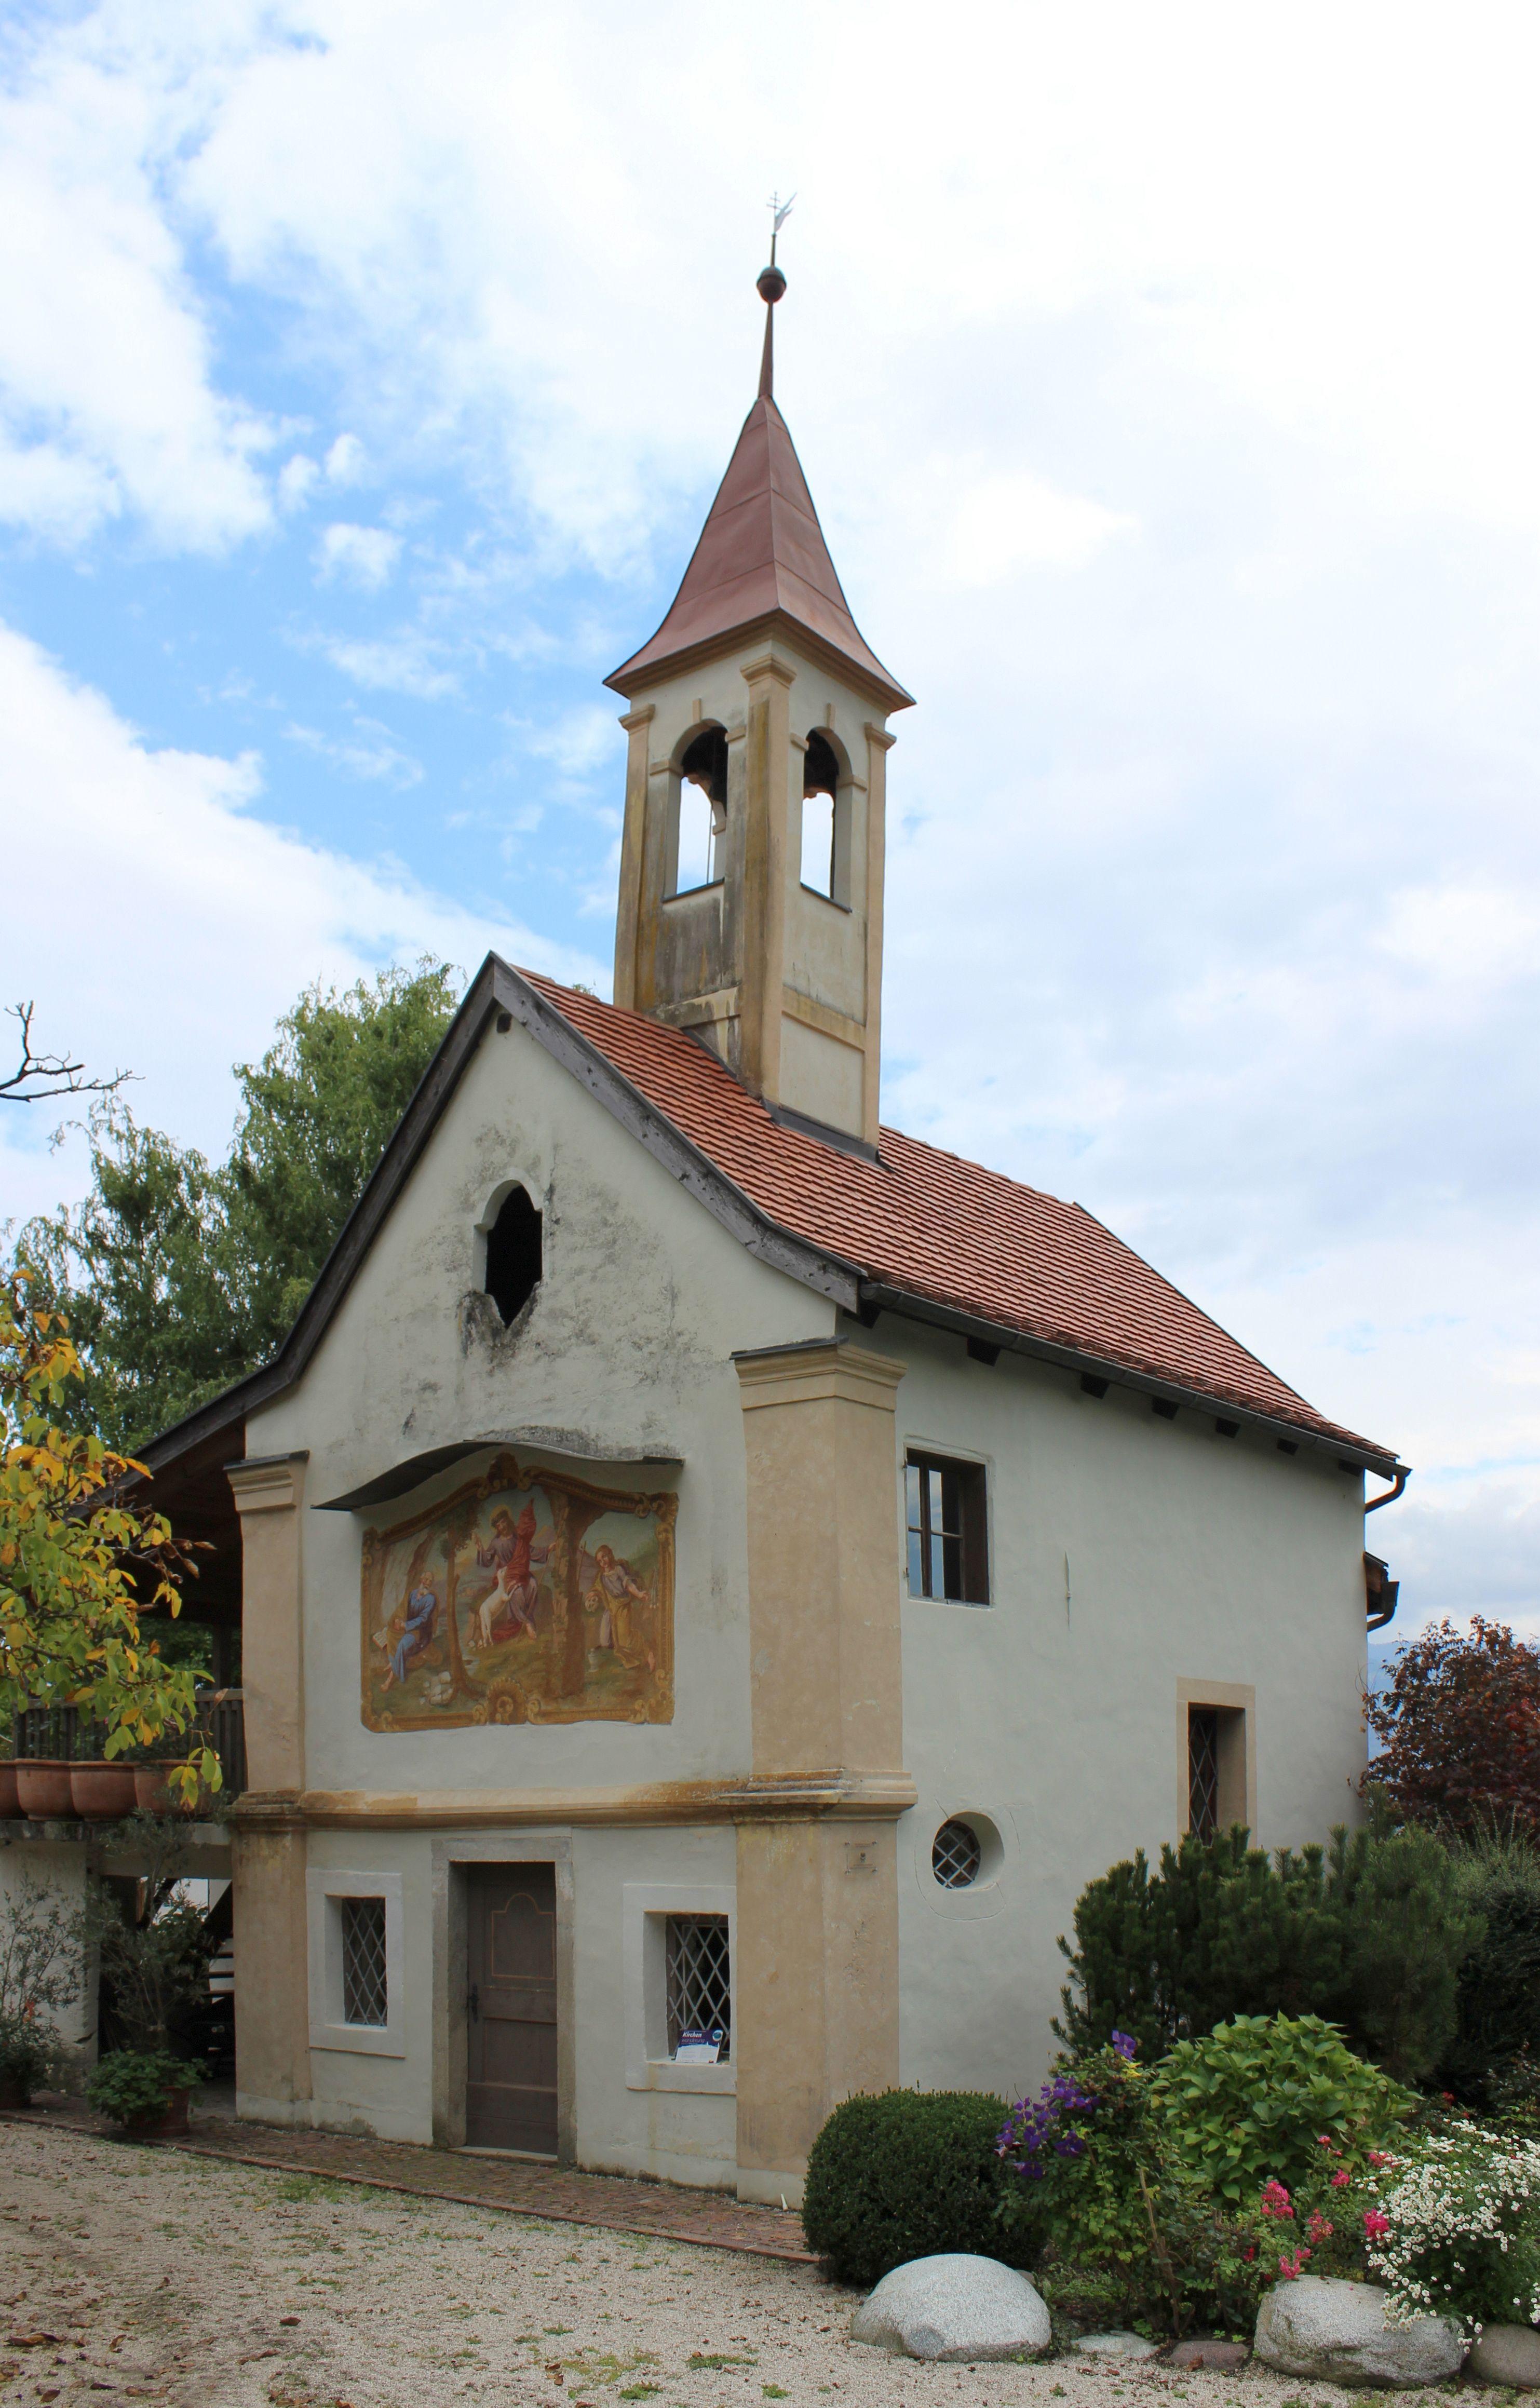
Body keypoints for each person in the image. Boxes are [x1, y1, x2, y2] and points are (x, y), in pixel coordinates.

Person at [469, 1500, 549, 1650]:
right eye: (499, 1525)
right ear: (497, 1528)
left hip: (521, 1572)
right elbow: (487, 1560)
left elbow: (529, 1551)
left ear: (508, 1521)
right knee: (517, 1592)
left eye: (504, 1522)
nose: (502, 1526)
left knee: (533, 1584)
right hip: (507, 1576)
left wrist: (547, 1551)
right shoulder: (496, 1543)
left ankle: (526, 1616)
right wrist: (480, 1549)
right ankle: (527, 1623)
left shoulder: (518, 1537)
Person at [586, 1543, 654, 1673]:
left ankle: (648, 1652)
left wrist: (639, 1594)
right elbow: (598, 1588)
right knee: (607, 1642)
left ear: (610, 1555)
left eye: (604, 1557)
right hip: (611, 1609)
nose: (603, 1562)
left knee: (625, 1640)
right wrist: (593, 1593)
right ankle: (632, 1661)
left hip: (623, 1606)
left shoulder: (618, 1570)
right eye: (600, 1561)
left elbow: (628, 1585)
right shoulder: (601, 1576)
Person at [382, 1542, 440, 1689]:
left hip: (419, 1632)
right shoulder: (412, 1594)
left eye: (430, 1581)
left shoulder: (430, 1599)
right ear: (421, 1579)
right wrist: (397, 1620)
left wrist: (406, 1625)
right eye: (426, 1580)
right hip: (406, 1628)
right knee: (390, 1635)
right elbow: (402, 1609)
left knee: (403, 1644)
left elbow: (423, 1619)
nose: (428, 1583)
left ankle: (395, 1676)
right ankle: (394, 1663)